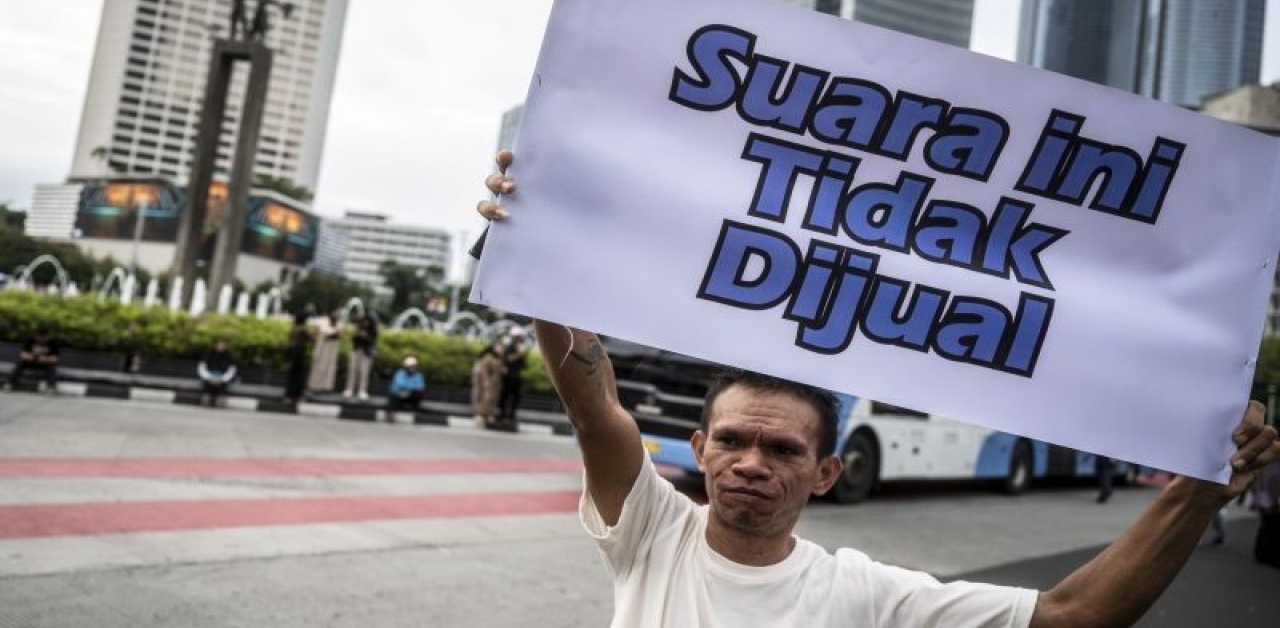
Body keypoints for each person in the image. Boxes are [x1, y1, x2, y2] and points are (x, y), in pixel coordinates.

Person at [478, 149, 1280, 627]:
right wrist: (539, 255)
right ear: (699, 447)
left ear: (827, 471)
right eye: (731, 439)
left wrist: (1201, 491)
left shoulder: (863, 593)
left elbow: (1075, 618)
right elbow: (594, 404)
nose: (750, 460)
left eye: (783, 447)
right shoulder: (653, 532)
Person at [7, 324, 61, 392]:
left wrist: (45, 359)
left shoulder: (53, 342)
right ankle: (10, 383)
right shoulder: (29, 339)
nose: (41, 340)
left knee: (52, 367)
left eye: (44, 338)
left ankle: (51, 386)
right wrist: (30, 357)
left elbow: (56, 358)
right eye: (39, 337)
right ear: (35, 335)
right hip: (31, 361)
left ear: (48, 336)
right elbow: (22, 354)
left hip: (45, 363)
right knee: (20, 363)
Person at [1253, 447, 1280, 568]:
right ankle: (1266, 555)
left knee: (1265, 527)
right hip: (1271, 502)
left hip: (1264, 499)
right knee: (1271, 529)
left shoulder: (1268, 465)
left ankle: (1261, 553)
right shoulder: (1274, 467)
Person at [496, 327, 529, 424]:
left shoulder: (520, 348)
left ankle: (511, 415)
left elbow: (523, 365)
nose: (520, 339)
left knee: (516, 397)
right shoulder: (509, 347)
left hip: (516, 376)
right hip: (508, 376)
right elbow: (507, 359)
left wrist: (523, 355)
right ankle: (501, 415)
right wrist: (519, 354)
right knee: (504, 396)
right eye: (518, 337)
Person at [470, 340, 506, 426]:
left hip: (496, 382)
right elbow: (484, 371)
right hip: (487, 382)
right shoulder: (488, 357)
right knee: (486, 398)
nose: (501, 349)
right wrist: (486, 381)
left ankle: (489, 415)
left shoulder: (499, 358)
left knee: (493, 399)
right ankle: (480, 415)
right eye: (499, 347)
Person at [344, 314, 378, 401]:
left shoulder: (373, 331)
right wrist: (359, 335)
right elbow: (353, 339)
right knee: (352, 371)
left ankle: (362, 390)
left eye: (367, 321)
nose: (365, 323)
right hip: (356, 351)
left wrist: (366, 337)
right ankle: (350, 389)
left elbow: (372, 342)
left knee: (364, 372)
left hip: (366, 353)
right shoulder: (358, 329)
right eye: (364, 321)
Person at [307, 310, 341, 395]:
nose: (335, 317)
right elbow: (315, 334)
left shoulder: (339, 325)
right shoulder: (322, 322)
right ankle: (314, 386)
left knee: (330, 368)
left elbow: (338, 335)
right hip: (321, 348)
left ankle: (327, 387)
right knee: (318, 367)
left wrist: (331, 334)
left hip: (331, 349)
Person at [197, 338, 237, 408]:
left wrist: (222, 379)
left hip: (222, 378)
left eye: (222, 345)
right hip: (209, 377)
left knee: (223, 386)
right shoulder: (208, 354)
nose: (220, 347)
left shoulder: (229, 356)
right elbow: (202, 367)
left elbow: (232, 370)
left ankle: (218, 401)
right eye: (219, 345)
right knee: (206, 385)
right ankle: (207, 400)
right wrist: (208, 377)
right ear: (215, 345)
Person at [386, 356, 425, 421]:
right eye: (411, 367)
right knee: (393, 395)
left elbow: (420, 387)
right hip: (400, 394)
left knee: (418, 393)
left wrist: (409, 391)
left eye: (414, 367)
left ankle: (416, 411)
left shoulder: (418, 375)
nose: (412, 368)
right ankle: (391, 414)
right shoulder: (400, 374)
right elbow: (397, 385)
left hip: (411, 395)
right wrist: (405, 390)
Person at [284, 314, 311, 404]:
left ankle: (289, 396)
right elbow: (312, 339)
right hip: (299, 354)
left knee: (292, 376)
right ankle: (298, 396)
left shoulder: (293, 329)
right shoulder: (303, 329)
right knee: (299, 376)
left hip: (293, 353)